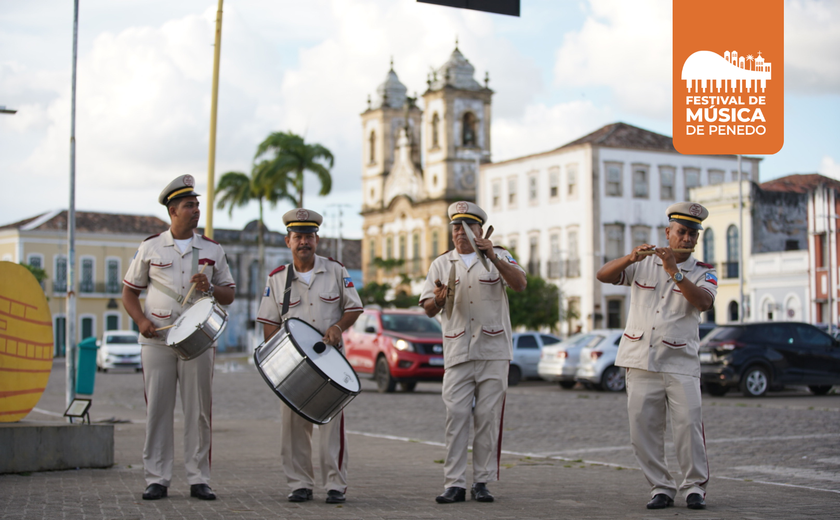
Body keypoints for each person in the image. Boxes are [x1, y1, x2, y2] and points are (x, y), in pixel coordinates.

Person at [595, 202, 716, 510]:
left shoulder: (704, 272)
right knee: (642, 428)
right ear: (668, 232)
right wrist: (629, 257)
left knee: (688, 426)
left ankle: (694, 487)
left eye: (692, 234)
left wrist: (674, 272)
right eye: (682, 232)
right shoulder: (644, 263)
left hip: (680, 362)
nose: (687, 238)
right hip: (639, 358)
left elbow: (703, 302)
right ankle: (660, 486)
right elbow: (603, 276)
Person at [122, 174, 236, 501]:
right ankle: (157, 477)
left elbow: (228, 293)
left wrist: (210, 288)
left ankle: (199, 477)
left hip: (198, 342)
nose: (196, 210)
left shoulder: (212, 249)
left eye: (197, 204)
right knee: (158, 409)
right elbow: (129, 293)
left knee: (198, 410)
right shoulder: (151, 247)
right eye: (189, 205)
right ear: (173, 211)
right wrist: (141, 320)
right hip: (157, 340)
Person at [419, 201, 526, 504]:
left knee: (488, 416)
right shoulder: (441, 264)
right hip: (457, 350)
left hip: (493, 349)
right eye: (456, 227)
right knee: (455, 416)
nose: (460, 233)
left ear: (480, 230)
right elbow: (428, 308)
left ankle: (482, 481)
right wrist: (439, 300)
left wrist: (492, 256)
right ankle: (454, 483)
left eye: (467, 227)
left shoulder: (500, 256)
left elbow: (519, 284)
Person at [256, 208, 363, 504]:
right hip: (293, 367)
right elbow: (269, 321)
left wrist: (338, 327)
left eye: (309, 236)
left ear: (317, 239)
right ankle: (300, 483)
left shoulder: (336, 270)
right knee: (293, 428)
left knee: (331, 427)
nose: (304, 242)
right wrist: (277, 363)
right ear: (288, 241)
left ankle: (335, 485)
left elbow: (353, 307)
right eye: (298, 237)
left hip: (330, 362)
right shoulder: (278, 279)